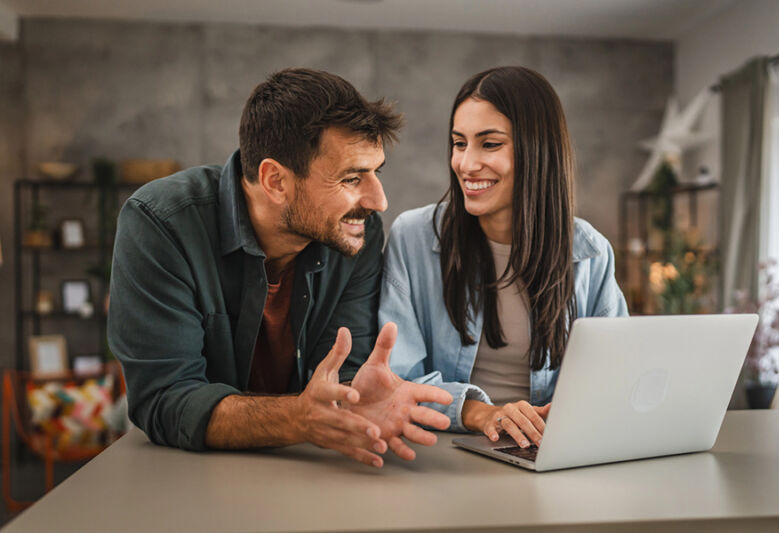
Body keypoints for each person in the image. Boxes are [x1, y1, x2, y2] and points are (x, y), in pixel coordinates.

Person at [108, 68, 452, 468]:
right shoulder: (161, 225)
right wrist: (299, 418)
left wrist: (353, 396)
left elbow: (342, 371)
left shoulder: (357, 233)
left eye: (376, 172)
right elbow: (166, 399)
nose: (379, 201)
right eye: (352, 178)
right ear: (275, 180)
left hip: (305, 472)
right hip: (181, 477)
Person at [379, 66, 628, 450]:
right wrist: (481, 413)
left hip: (548, 451)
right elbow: (398, 379)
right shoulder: (411, 238)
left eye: (489, 144)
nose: (466, 163)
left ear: (537, 150)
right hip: (443, 451)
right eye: (459, 143)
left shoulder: (591, 252)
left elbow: (616, 377)